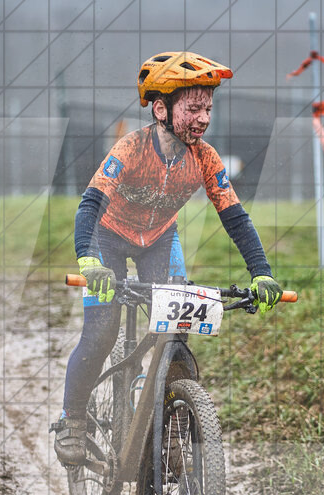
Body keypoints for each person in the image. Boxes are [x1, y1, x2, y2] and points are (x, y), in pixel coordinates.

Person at [52, 51, 283, 466]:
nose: (203, 118)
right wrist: (89, 261)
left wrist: (261, 272)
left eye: (208, 108)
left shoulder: (205, 158)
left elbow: (236, 218)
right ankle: (74, 421)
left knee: (176, 334)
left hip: (159, 239)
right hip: (109, 237)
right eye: (193, 108)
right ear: (161, 108)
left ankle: (170, 426)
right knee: (101, 334)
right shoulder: (131, 148)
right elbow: (89, 205)